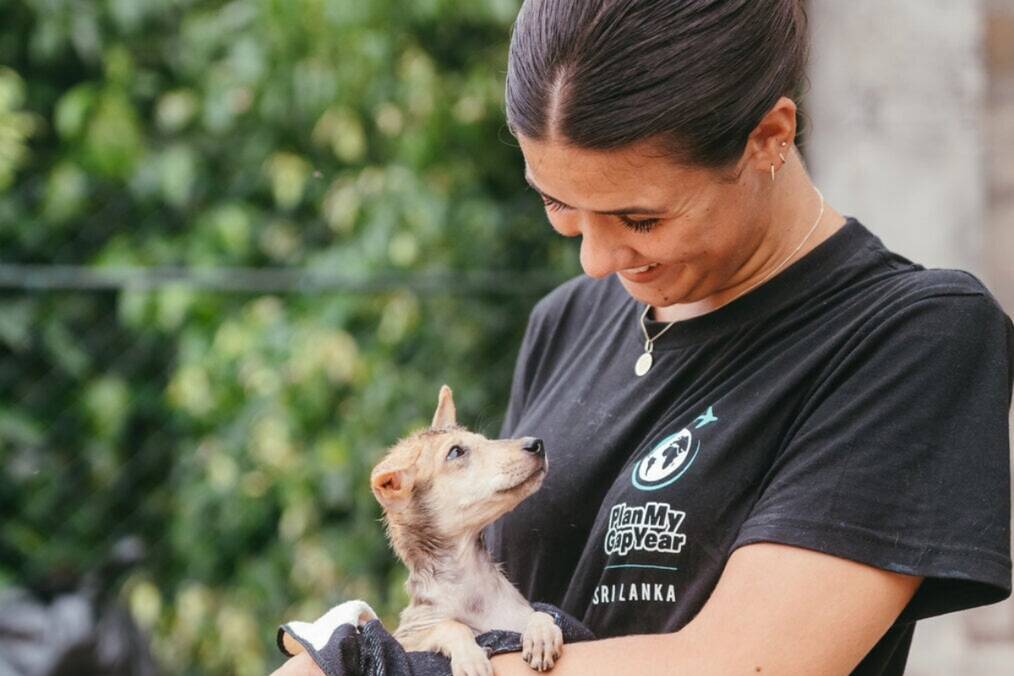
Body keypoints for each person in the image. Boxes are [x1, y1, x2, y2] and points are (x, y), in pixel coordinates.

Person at [273, 1, 1013, 674]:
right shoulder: (567, 319)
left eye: (641, 220)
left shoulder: (908, 336)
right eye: (560, 205)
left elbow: (745, 664)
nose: (596, 262)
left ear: (769, 138)